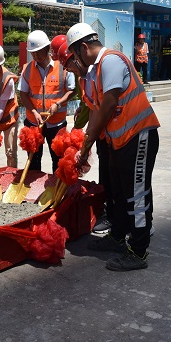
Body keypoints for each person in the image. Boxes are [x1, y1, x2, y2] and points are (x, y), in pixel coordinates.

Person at [67, 22, 160, 272]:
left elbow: (108, 105)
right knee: (119, 192)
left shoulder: (111, 61)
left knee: (136, 195)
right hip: (121, 141)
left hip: (139, 136)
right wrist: (85, 145)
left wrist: (87, 145)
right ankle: (118, 236)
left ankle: (138, 251)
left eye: (74, 55)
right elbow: (96, 112)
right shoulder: (95, 71)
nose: (75, 61)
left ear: (83, 47)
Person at [58, 42, 112, 235]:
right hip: (104, 133)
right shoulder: (83, 75)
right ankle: (110, 213)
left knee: (118, 178)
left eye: (69, 64)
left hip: (118, 135)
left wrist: (84, 142)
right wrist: (82, 107)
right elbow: (89, 104)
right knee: (106, 173)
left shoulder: (99, 70)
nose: (68, 70)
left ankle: (129, 221)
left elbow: (99, 111)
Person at [19, 30, 75, 173]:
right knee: (33, 160)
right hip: (33, 123)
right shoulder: (27, 69)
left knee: (58, 160)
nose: (36, 56)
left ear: (47, 48)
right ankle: (33, 184)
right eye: (33, 53)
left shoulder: (62, 67)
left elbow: (72, 90)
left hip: (57, 124)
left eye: (38, 51)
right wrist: (34, 112)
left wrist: (58, 104)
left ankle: (55, 185)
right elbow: (23, 94)